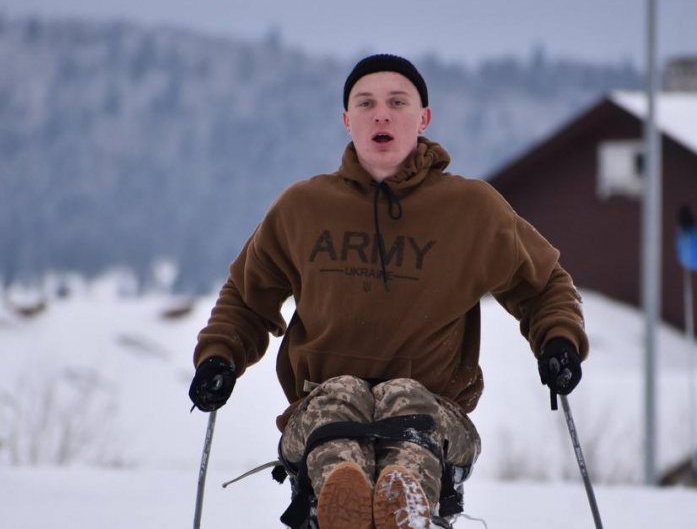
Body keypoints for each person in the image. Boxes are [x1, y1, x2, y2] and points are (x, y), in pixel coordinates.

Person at [189, 54, 589, 529]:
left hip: (437, 418)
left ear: (423, 118)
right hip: (319, 412)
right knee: (342, 395)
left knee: (404, 397)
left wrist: (558, 342)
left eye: (397, 102)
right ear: (347, 120)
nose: (381, 114)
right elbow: (246, 297)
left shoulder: (472, 209)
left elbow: (544, 285)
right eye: (366, 103)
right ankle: (343, 501)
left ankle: (406, 503)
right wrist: (219, 356)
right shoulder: (304, 208)